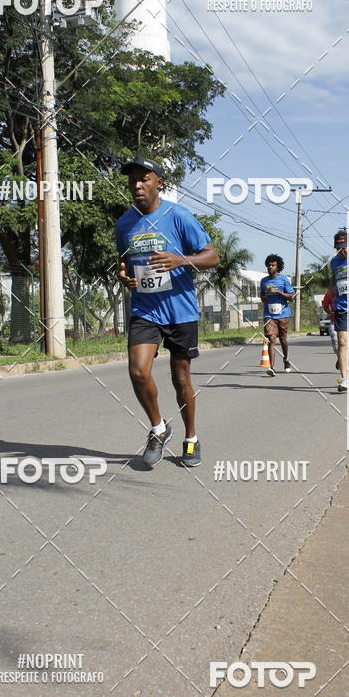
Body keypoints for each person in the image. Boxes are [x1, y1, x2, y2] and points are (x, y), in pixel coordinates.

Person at [116, 155, 218, 469]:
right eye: (132, 179)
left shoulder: (179, 216)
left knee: (181, 379)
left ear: (159, 182)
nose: (137, 184)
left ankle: (191, 438)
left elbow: (212, 256)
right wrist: (123, 274)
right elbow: (124, 261)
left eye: (144, 178)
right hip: (146, 309)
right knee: (137, 371)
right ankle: (159, 428)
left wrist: (181, 260)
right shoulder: (124, 223)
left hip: (180, 311)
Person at [260, 254, 295, 376]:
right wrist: (265, 296)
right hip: (269, 314)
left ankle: (286, 360)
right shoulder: (264, 281)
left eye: (273, 265)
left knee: (283, 339)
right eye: (268, 265)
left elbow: (291, 297)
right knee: (271, 339)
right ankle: (271, 367)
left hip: (283, 314)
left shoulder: (284, 279)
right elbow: (262, 297)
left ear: (278, 266)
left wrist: (278, 292)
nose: (270, 267)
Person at [330, 228, 349, 392]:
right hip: (342, 307)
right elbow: (333, 281)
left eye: (344, 246)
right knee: (342, 342)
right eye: (339, 247)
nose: (342, 250)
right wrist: (331, 299)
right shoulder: (334, 262)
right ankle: (344, 380)